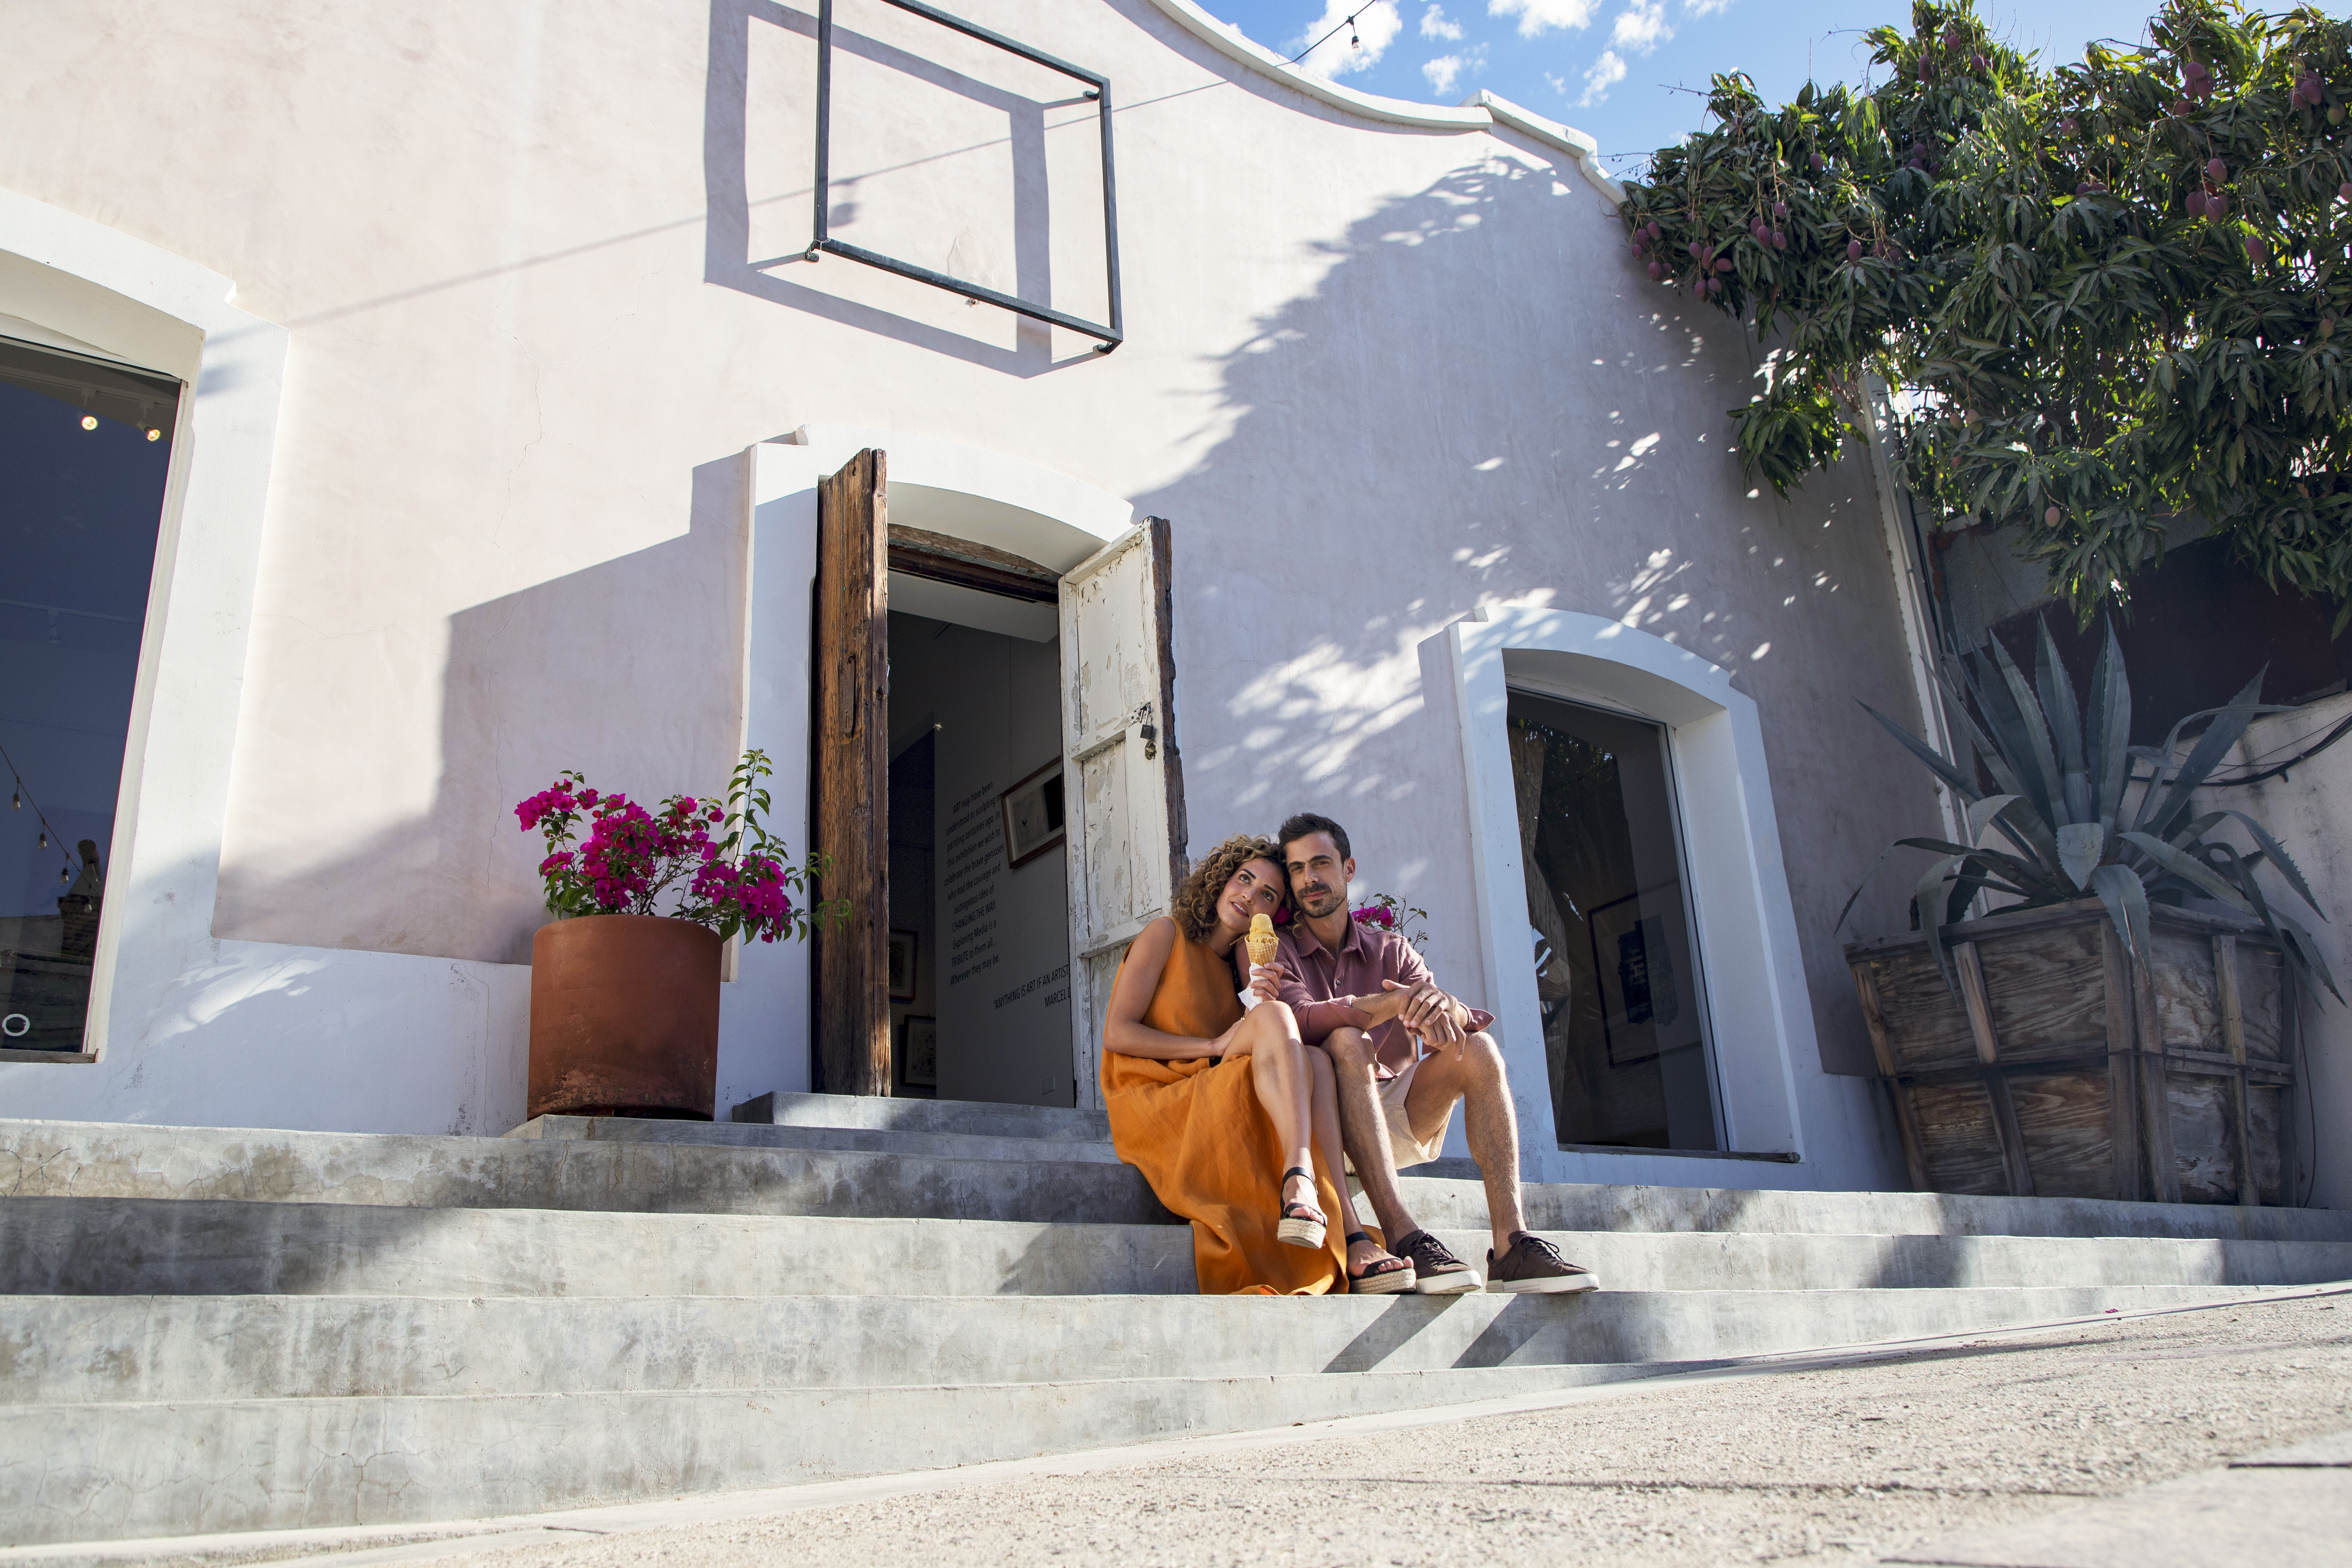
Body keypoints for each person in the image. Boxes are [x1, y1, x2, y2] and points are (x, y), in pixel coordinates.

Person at [1264, 812, 1599, 1295]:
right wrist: (1392, 1003)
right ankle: (1405, 1236)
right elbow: (1301, 1019)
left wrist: (1445, 1008)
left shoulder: (1392, 949)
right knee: (1345, 1039)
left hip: (1393, 1113)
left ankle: (1512, 1246)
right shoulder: (1276, 949)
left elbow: (1459, 1023)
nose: (1309, 879)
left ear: (1349, 868)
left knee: (1479, 1050)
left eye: (1320, 863)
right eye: (1297, 869)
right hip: (1322, 1125)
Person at [1101, 833, 1414, 1294]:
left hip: (1210, 1080)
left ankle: (1348, 1230)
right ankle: (1301, 1180)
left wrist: (1257, 999)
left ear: (1275, 913)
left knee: (1315, 1059)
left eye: (1268, 894)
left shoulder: (1243, 966)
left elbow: (1258, 1047)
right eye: (1244, 879)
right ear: (1221, 880)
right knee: (1280, 1020)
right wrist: (1213, 1043)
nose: (1250, 897)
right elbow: (1118, 1033)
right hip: (1153, 1092)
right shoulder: (1166, 934)